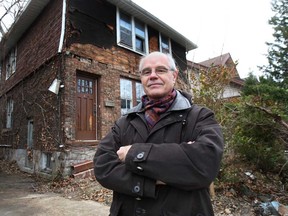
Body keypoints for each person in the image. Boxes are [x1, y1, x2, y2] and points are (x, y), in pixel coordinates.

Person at [94, 51, 224, 216]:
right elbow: (102, 166)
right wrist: (156, 179)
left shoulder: (199, 116)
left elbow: (205, 164)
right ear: (141, 78)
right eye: (146, 72)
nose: (153, 76)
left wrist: (132, 153)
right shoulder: (125, 122)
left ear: (174, 75)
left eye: (161, 70)